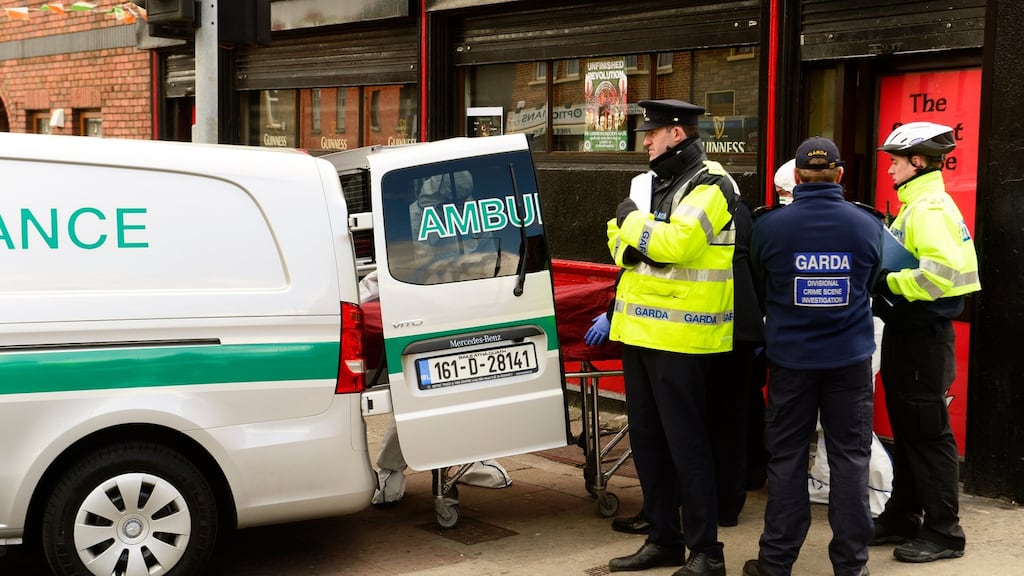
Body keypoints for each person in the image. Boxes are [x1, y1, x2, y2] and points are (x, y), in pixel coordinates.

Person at [604, 99, 740, 576]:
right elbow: (617, 244)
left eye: (652, 133)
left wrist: (633, 224)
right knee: (648, 443)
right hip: (638, 331)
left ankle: (706, 552)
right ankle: (663, 539)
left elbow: (676, 245)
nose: (645, 141)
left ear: (677, 134)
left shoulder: (714, 184)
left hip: (685, 337)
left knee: (687, 447)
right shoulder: (649, 184)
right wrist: (640, 235)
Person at [743, 137, 883, 576]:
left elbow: (761, 287)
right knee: (850, 459)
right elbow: (872, 282)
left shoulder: (768, 226)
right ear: (840, 175)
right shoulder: (868, 224)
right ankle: (851, 565)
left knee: (785, 459)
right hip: (849, 361)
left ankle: (776, 562)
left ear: (797, 178)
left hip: (792, 362)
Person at [869, 121, 981, 563]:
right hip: (912, 333)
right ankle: (902, 514)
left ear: (917, 162)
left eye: (895, 162)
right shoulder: (919, 203)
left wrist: (888, 282)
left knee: (928, 434)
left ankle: (944, 532)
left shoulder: (930, 207)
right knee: (910, 431)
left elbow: (943, 274)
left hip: (923, 336)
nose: (890, 170)